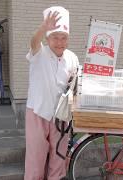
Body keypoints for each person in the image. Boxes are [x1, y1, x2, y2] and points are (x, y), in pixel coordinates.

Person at [24, 6, 79, 180]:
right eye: (55, 37)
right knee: (35, 157)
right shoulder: (39, 53)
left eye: (63, 38)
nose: (59, 42)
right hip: (37, 112)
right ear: (47, 38)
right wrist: (43, 28)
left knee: (59, 156)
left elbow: (75, 84)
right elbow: (33, 42)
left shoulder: (72, 57)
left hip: (61, 115)